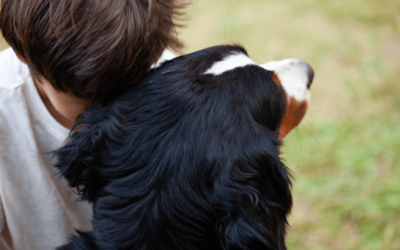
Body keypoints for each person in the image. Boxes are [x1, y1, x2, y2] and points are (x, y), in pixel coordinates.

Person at [0, 0, 186, 249]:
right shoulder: (6, 109)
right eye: (92, 97)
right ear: (21, 54)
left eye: (130, 85)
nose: (114, 105)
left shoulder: (171, 86)